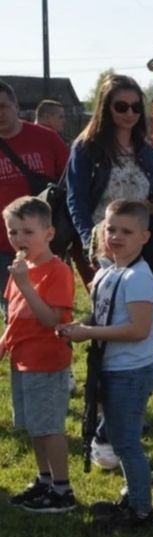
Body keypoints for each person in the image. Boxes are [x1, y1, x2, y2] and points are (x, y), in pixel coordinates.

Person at [56, 200, 153, 530]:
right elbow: (105, 316)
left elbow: (138, 329)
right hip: (112, 367)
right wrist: (81, 326)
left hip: (130, 372)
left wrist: (89, 333)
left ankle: (141, 511)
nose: (115, 236)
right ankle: (133, 495)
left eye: (126, 232)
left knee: (126, 442)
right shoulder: (109, 271)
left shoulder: (138, 278)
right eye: (111, 228)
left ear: (144, 236)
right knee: (119, 436)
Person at [1, 196, 75, 512]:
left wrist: (27, 285)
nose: (19, 239)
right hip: (22, 360)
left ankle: (62, 491)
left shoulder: (55, 271)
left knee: (49, 427)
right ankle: (44, 480)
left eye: (28, 232)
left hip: (46, 362)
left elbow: (51, 320)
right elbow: (14, 317)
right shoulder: (22, 269)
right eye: (13, 232)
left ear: (48, 234)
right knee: (34, 426)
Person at [66, 74, 153, 297]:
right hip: (104, 243)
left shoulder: (145, 149)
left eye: (136, 107)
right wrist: (89, 244)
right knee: (108, 310)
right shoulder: (86, 148)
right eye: (121, 107)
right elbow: (76, 199)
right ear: (106, 108)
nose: (130, 114)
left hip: (140, 244)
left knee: (144, 306)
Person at [0, 79, 69, 319]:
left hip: (46, 243)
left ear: (15, 106)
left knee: (50, 311)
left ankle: (49, 354)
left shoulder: (46, 139)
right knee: (15, 312)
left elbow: (69, 181)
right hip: (3, 243)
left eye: (2, 106)